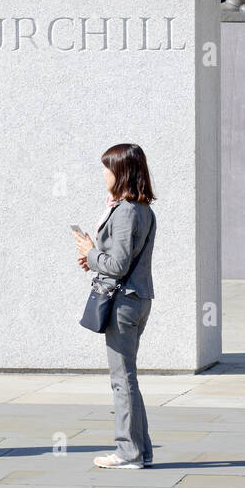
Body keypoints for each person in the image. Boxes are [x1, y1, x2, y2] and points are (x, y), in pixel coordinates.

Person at [75, 143, 156, 470]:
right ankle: (141, 450)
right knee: (128, 377)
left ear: (121, 172)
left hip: (123, 300)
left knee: (122, 379)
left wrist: (91, 252)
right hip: (137, 297)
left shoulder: (126, 212)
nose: (104, 174)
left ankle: (128, 453)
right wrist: (95, 259)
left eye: (108, 168)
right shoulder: (143, 209)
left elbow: (118, 264)